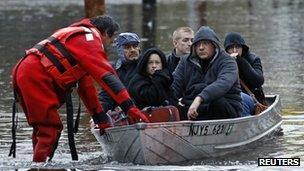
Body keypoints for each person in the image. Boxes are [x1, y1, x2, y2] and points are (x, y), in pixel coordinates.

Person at [11, 15, 149, 163]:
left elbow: (86, 87)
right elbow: (107, 77)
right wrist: (130, 107)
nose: (108, 45)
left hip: (23, 72)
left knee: (42, 129)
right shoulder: (90, 39)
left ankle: (39, 163)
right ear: (105, 33)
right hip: (34, 76)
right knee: (49, 129)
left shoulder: (77, 36)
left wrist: (100, 118)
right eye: (110, 40)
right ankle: (39, 166)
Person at [171, 26, 242, 120]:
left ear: (213, 45)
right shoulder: (185, 61)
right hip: (194, 110)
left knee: (217, 101)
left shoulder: (228, 61)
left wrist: (199, 98)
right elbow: (174, 86)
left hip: (223, 109)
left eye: (205, 43)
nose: (201, 48)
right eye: (198, 44)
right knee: (171, 107)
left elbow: (223, 84)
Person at [99, 32, 141, 112]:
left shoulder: (147, 66)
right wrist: (99, 114)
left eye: (135, 46)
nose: (132, 50)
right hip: (124, 114)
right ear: (120, 50)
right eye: (127, 47)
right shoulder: (113, 72)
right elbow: (105, 97)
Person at [224, 32, 266, 105]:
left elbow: (258, 81)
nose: (234, 50)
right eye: (231, 48)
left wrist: (240, 61)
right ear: (226, 50)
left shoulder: (253, 59)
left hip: (253, 99)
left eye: (237, 47)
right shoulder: (223, 62)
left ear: (242, 48)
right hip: (231, 99)